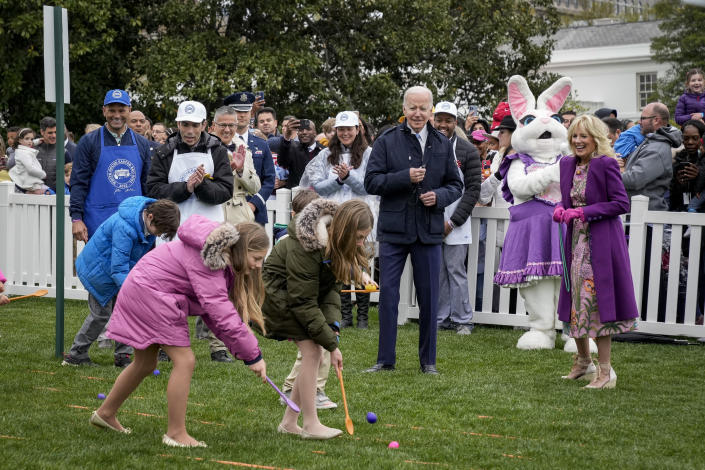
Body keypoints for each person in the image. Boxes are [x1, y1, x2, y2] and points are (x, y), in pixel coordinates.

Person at [92, 217, 268, 447]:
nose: (258, 266)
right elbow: (220, 312)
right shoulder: (211, 261)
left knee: (145, 364)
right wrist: (253, 355)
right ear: (242, 249)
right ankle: (175, 433)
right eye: (256, 258)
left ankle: (105, 414)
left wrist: (246, 354)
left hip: (142, 291)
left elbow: (212, 314)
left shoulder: (213, 256)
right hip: (152, 295)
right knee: (185, 361)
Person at [364, 86, 463, 374]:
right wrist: (403, 177)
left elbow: (455, 185)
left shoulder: (443, 143)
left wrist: (439, 197)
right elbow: (371, 182)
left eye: (423, 108)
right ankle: (385, 360)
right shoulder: (387, 140)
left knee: (430, 297)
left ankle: (428, 362)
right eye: (412, 107)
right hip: (394, 229)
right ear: (404, 109)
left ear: (431, 110)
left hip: (429, 230)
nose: (418, 113)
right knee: (388, 297)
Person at [260, 199, 374, 439]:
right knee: (313, 351)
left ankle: (290, 423)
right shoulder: (308, 245)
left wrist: (332, 327)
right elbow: (303, 302)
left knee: (315, 350)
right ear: (344, 230)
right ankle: (311, 424)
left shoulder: (336, 245)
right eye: (359, 237)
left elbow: (330, 290)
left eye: (365, 237)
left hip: (297, 298)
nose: (362, 244)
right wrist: (331, 345)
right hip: (276, 296)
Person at [553, 114, 638, 389]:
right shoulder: (567, 164)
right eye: (574, 136)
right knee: (575, 301)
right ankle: (582, 361)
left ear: (595, 139)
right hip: (575, 243)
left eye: (584, 136)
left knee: (596, 304)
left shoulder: (606, 164)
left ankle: (605, 372)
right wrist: (560, 208)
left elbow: (620, 203)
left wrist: (584, 212)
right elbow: (567, 198)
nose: (578, 141)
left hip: (600, 244)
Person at [62, 197, 180, 368]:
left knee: (126, 312)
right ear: (150, 217)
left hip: (119, 272)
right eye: (159, 230)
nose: (159, 235)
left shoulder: (146, 226)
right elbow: (117, 268)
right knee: (100, 315)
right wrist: (134, 292)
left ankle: (123, 356)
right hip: (98, 272)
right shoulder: (124, 227)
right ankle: (76, 355)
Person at [302, 111, 379, 329]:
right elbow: (318, 185)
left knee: (363, 261)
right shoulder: (325, 155)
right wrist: (338, 179)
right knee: (339, 260)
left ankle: (363, 315)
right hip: (335, 215)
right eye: (341, 129)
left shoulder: (370, 154)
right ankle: (345, 313)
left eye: (349, 129)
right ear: (336, 131)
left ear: (358, 130)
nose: (345, 133)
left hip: (362, 214)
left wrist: (348, 177)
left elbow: (369, 186)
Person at [278, 190, 339, 410]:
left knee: (315, 348)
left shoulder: (322, 241)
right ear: (294, 215)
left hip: (314, 301)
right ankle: (311, 390)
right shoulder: (290, 242)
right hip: (299, 303)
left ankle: (297, 388)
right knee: (315, 348)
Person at [70, 89, 153, 242]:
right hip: (98, 221)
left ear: (129, 110)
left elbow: (147, 184)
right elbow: (78, 182)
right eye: (111, 110)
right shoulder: (89, 142)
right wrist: (76, 218)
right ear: (104, 111)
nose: (116, 115)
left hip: (133, 221)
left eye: (121, 110)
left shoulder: (141, 143)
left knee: (130, 266)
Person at [432, 101, 481, 335]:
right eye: (439, 119)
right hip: (431, 219)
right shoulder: (425, 146)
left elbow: (473, 190)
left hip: (457, 223)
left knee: (455, 270)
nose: (443, 124)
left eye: (448, 120)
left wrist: (453, 222)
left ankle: (463, 319)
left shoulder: (467, 150)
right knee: (437, 271)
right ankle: (441, 318)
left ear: (455, 122)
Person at [147, 100, 233, 229]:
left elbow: (226, 190)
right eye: (185, 125)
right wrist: (185, 188)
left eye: (195, 125)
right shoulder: (164, 152)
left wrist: (202, 185)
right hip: (172, 227)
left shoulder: (217, 151)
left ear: (204, 125)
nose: (190, 131)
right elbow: (153, 190)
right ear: (178, 124)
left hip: (208, 227)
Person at [223, 92, 276, 226]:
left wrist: (254, 204)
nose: (242, 115)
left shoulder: (262, 144)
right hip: (226, 212)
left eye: (246, 111)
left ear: (251, 113)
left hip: (254, 212)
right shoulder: (220, 142)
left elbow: (269, 180)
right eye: (237, 111)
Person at [622, 102, 682, 211]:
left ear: (656, 120)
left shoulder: (657, 148)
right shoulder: (652, 142)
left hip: (647, 220)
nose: (639, 122)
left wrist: (609, 173)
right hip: (638, 215)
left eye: (642, 118)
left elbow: (634, 180)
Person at [278, 118, 324, 188]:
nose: (304, 132)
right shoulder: (292, 149)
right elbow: (282, 162)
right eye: (301, 130)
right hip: (296, 195)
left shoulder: (324, 151)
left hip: (318, 195)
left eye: (308, 129)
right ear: (297, 133)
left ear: (315, 132)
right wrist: (287, 137)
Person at [670, 120, 705, 213]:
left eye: (695, 138)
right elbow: (672, 197)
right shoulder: (677, 161)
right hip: (682, 213)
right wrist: (679, 183)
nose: (690, 142)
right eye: (686, 138)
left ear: (701, 138)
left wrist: (698, 176)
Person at [35, 116, 72, 191]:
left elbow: (71, 177)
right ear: (42, 132)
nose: (54, 136)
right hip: (34, 197)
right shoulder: (33, 150)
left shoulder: (64, 152)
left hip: (57, 198)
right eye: (50, 133)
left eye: (55, 132)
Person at [8, 128, 48, 194]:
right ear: (19, 140)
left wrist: (36, 141)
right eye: (27, 139)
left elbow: (27, 143)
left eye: (31, 139)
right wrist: (43, 175)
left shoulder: (21, 149)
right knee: (50, 192)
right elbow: (31, 169)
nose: (30, 141)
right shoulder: (24, 153)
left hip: (27, 181)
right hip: (28, 183)